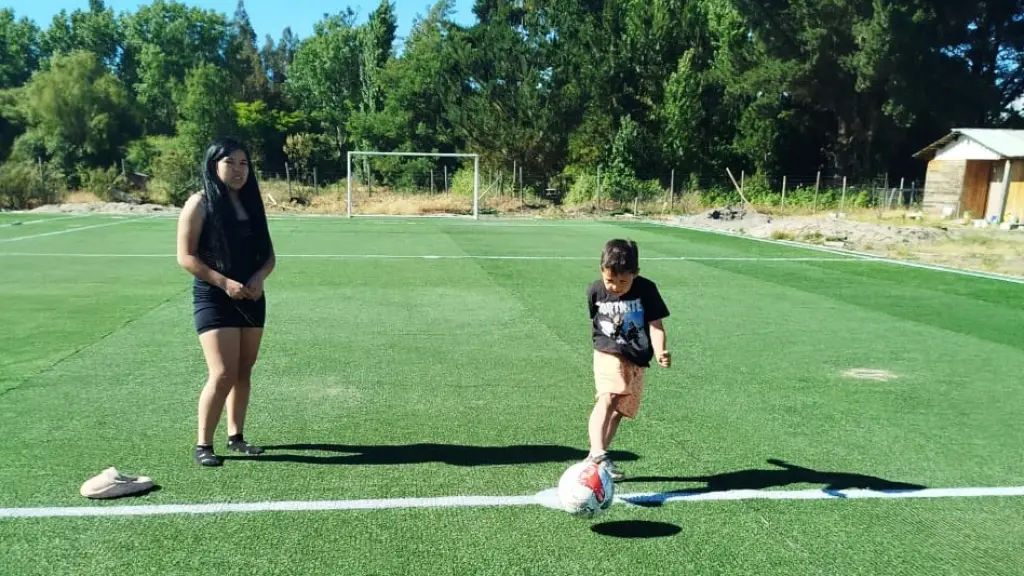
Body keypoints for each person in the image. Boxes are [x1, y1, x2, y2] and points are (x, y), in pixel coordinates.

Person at [175, 137, 276, 467]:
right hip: (214, 297)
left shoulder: (251, 203)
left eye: (243, 163)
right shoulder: (199, 203)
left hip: (251, 297)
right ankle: (203, 444)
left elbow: (269, 256)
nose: (238, 170)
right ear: (213, 165)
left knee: (244, 370)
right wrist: (223, 282)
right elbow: (185, 256)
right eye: (229, 163)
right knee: (222, 373)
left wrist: (259, 277)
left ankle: (236, 437)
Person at [585, 238, 670, 481]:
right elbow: (596, 320)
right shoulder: (595, 290)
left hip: (637, 359)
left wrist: (661, 350)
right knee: (608, 396)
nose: (615, 287)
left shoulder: (647, 289)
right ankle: (598, 452)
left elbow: (656, 325)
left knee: (619, 410)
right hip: (607, 351)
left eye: (623, 281)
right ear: (602, 270)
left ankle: (597, 456)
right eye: (610, 280)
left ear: (636, 274)